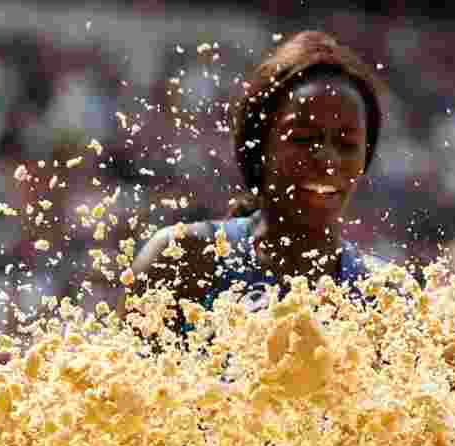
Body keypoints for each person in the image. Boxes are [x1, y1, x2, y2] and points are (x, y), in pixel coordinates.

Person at [131, 31, 388, 322]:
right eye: (303, 138)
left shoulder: (384, 296)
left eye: (346, 143)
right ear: (259, 144)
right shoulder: (183, 259)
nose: (327, 160)